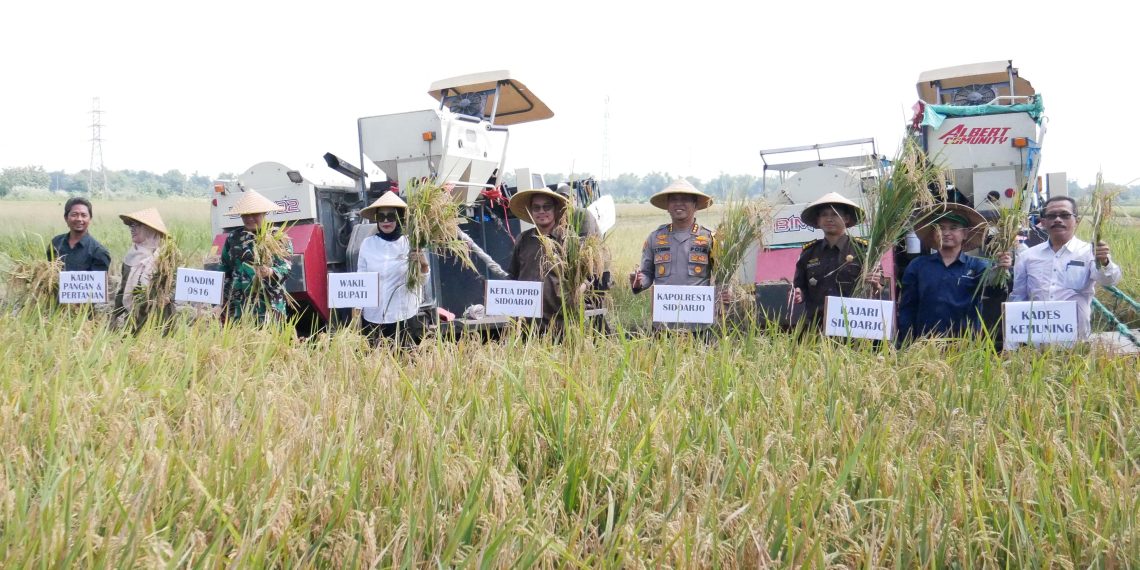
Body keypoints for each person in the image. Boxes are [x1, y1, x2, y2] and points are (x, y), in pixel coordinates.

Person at [1009, 195, 1122, 341]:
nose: (1057, 219)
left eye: (1064, 215)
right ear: (1043, 222)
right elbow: (1018, 296)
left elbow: (1109, 281)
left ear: (1077, 220)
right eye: (1051, 216)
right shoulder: (1027, 256)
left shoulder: (1089, 252)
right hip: (1037, 340)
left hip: (1076, 337)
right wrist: (1012, 341)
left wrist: (1104, 262)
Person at [897, 203, 1011, 341]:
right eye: (941, 228)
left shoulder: (979, 266)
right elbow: (907, 308)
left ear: (965, 233)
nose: (946, 233)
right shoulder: (918, 266)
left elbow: (996, 293)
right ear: (934, 233)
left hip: (965, 346)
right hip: (925, 345)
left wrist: (1002, 270)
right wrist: (906, 342)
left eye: (954, 228)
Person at [357, 191, 430, 346]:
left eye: (390, 216)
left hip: (402, 315)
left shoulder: (411, 244)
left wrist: (424, 265)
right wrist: (356, 314)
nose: (385, 221)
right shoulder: (367, 244)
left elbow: (421, 282)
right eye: (381, 217)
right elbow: (361, 280)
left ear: (399, 217)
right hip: (373, 317)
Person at [791, 193, 871, 329]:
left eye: (835, 214)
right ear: (817, 221)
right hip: (817, 328)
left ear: (846, 218)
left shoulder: (863, 251)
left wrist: (875, 283)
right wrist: (798, 294)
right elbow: (799, 287)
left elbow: (879, 287)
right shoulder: (808, 253)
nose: (829, 219)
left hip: (854, 326)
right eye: (824, 215)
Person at [630, 179, 715, 294]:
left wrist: (724, 293)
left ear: (695, 206)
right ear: (667, 207)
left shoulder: (709, 238)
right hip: (665, 308)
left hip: (698, 307)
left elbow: (722, 276)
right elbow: (647, 274)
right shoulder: (655, 238)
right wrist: (639, 282)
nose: (679, 203)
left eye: (685, 199)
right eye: (674, 199)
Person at [506, 186, 575, 330]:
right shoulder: (524, 239)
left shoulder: (568, 239)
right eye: (536, 208)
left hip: (560, 320)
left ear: (555, 210)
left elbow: (585, 277)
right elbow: (513, 275)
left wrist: (572, 298)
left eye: (546, 207)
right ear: (531, 211)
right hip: (527, 321)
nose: (541, 211)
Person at [220, 190, 293, 323]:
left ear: (265, 213)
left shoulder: (277, 238)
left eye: (255, 214)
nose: (249, 218)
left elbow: (286, 267)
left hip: (269, 305)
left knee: (270, 341)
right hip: (239, 305)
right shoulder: (234, 238)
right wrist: (220, 301)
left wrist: (270, 272)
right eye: (245, 215)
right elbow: (225, 269)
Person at [113, 208, 171, 326]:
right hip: (135, 319)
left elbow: (175, 286)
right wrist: (114, 315)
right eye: (131, 226)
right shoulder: (131, 256)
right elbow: (123, 290)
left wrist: (168, 296)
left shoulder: (165, 256)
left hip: (160, 319)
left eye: (136, 225)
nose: (132, 229)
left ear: (149, 229)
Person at [49, 197, 111, 271]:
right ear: (66, 218)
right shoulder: (56, 243)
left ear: (90, 219)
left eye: (84, 215)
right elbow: (49, 274)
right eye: (74, 215)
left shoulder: (99, 252)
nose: (79, 219)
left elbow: (98, 281)